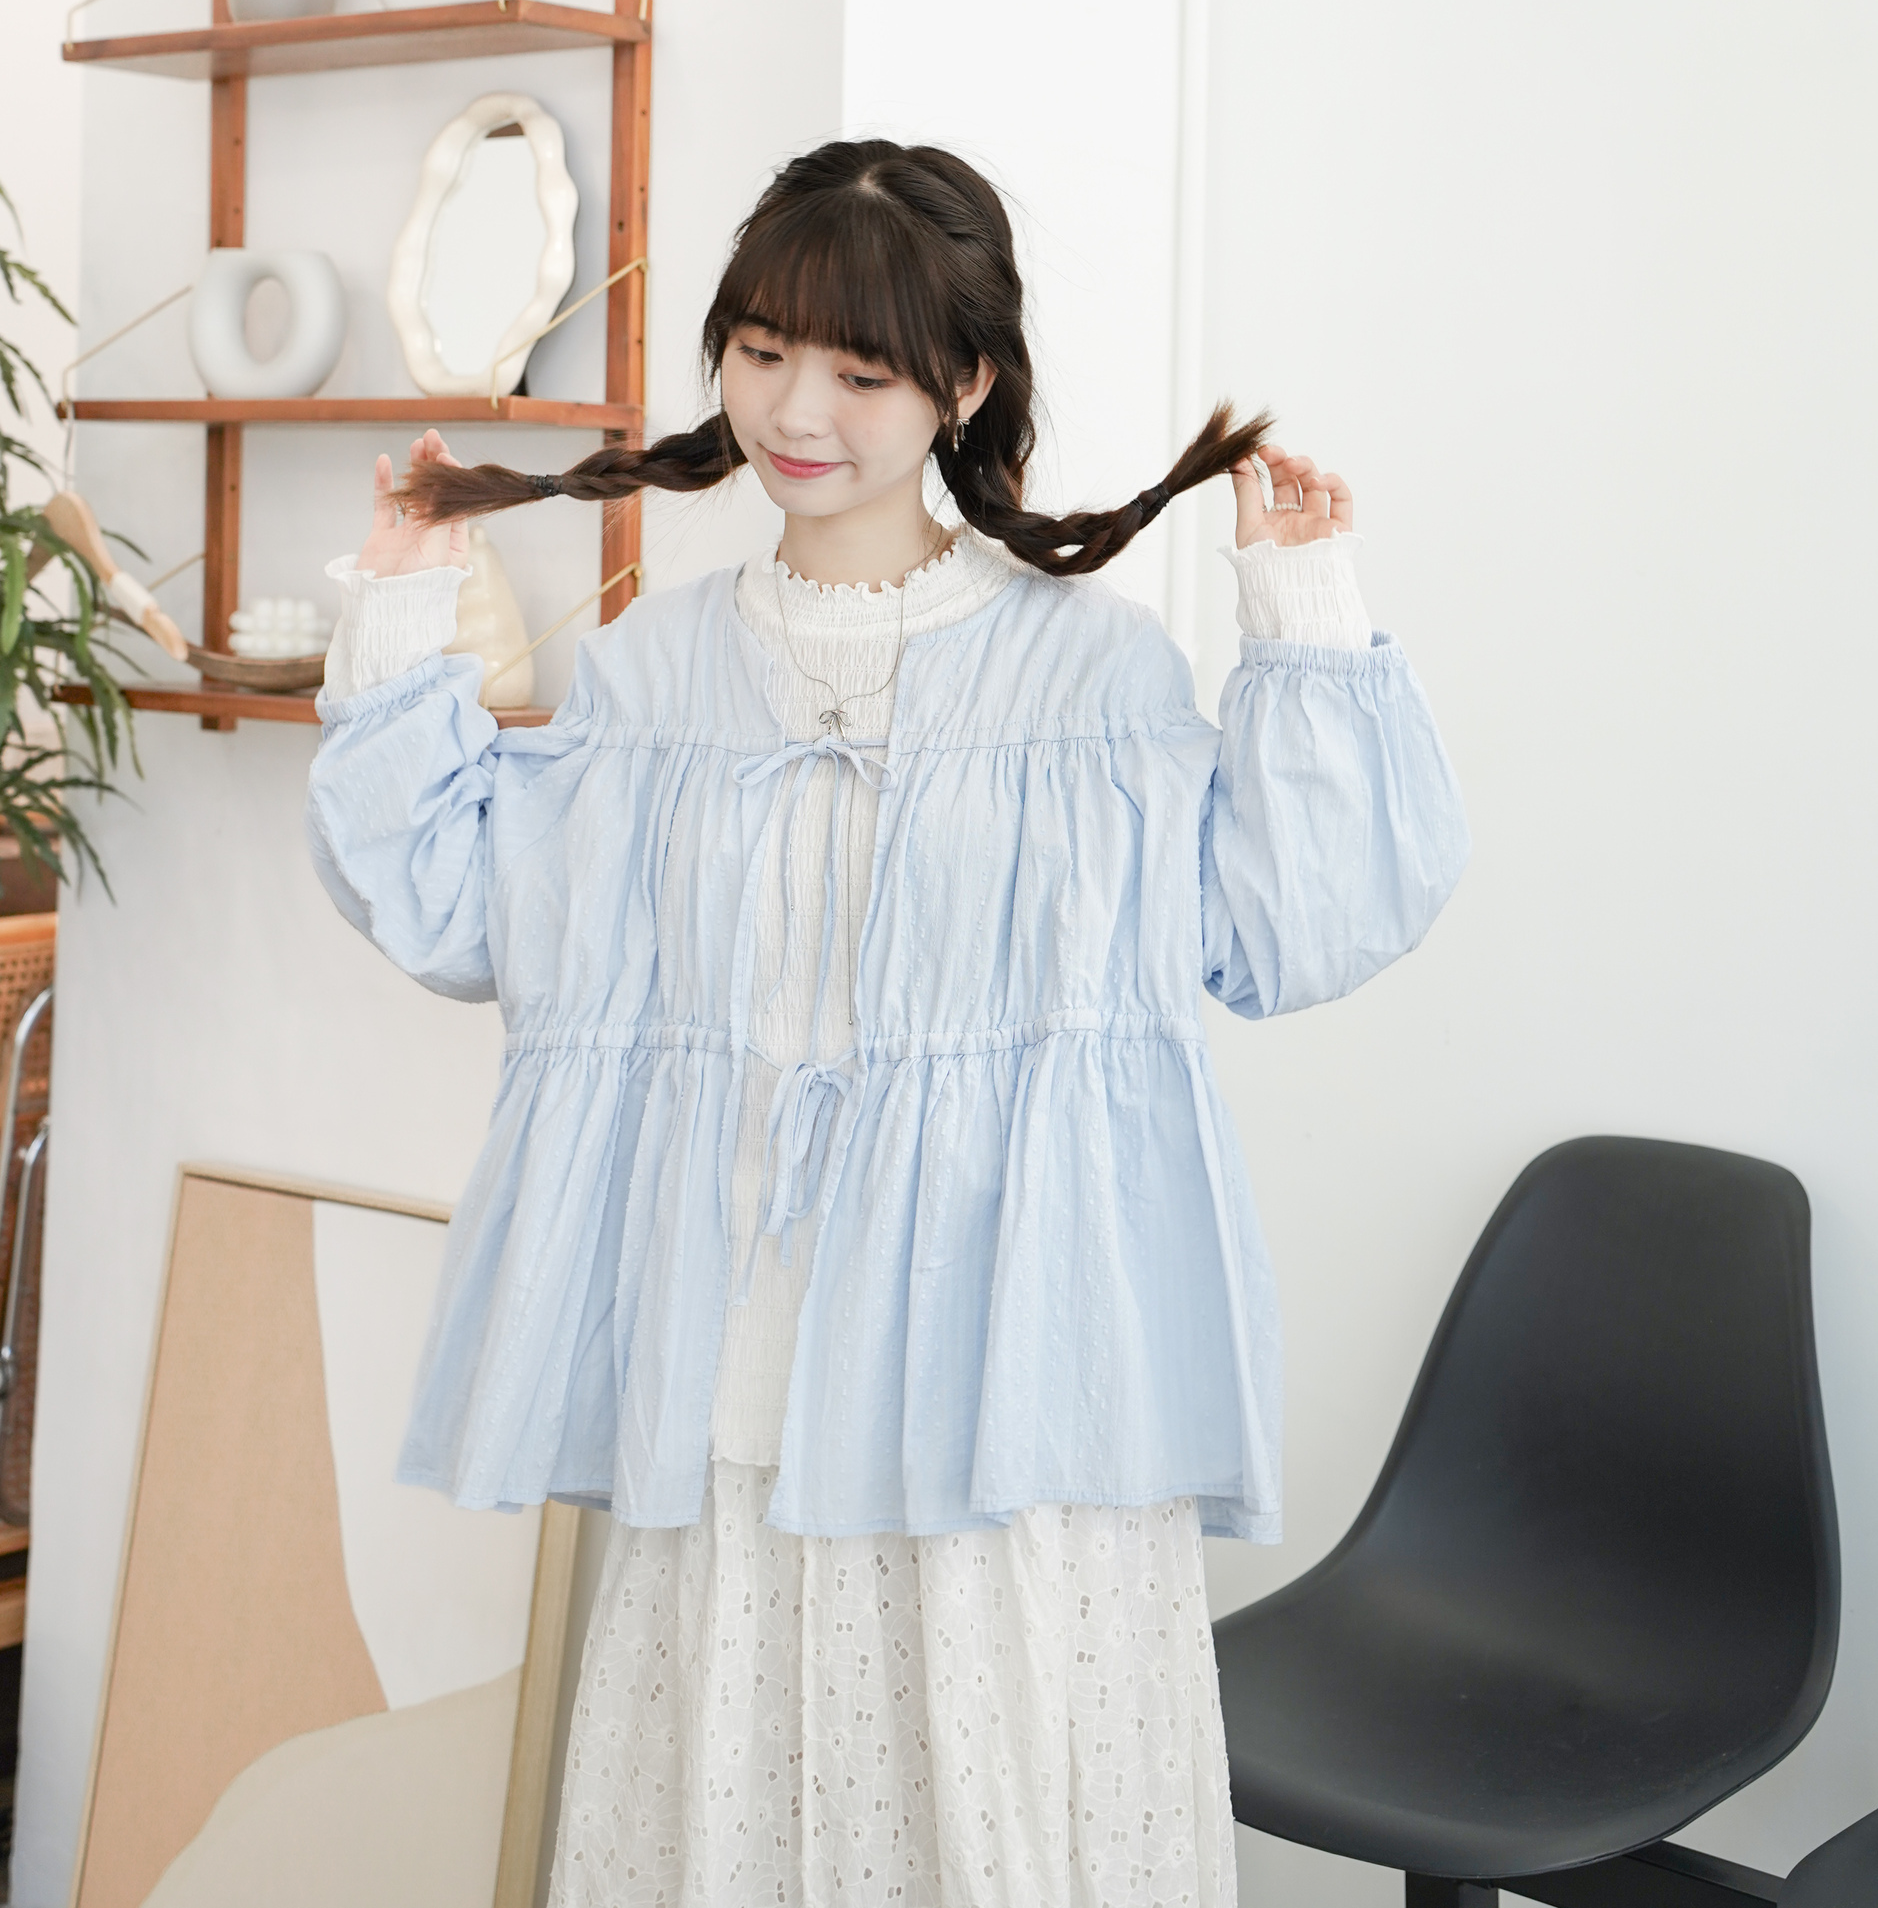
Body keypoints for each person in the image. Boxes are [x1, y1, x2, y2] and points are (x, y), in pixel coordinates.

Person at [306, 138, 1468, 1908]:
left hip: (1017, 1390)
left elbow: (1284, 922)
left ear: (964, 383)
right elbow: (470, 910)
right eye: (764, 349)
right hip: (734, 1395)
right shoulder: (653, 671)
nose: (797, 409)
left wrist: (1301, 610)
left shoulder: (1089, 672)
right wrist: (398, 601)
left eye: (860, 370)